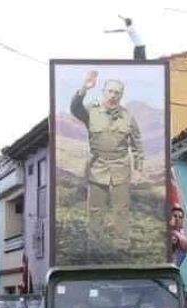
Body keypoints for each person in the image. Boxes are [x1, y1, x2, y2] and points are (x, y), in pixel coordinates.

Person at [70, 69, 143, 259]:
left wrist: (139, 170)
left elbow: (137, 144)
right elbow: (75, 109)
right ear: (104, 92)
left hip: (121, 166)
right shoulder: (91, 112)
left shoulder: (128, 117)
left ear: (121, 95)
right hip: (98, 166)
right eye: (110, 91)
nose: (113, 96)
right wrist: (84, 88)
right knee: (95, 209)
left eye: (117, 93)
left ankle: (122, 246)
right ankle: (93, 244)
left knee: (121, 209)